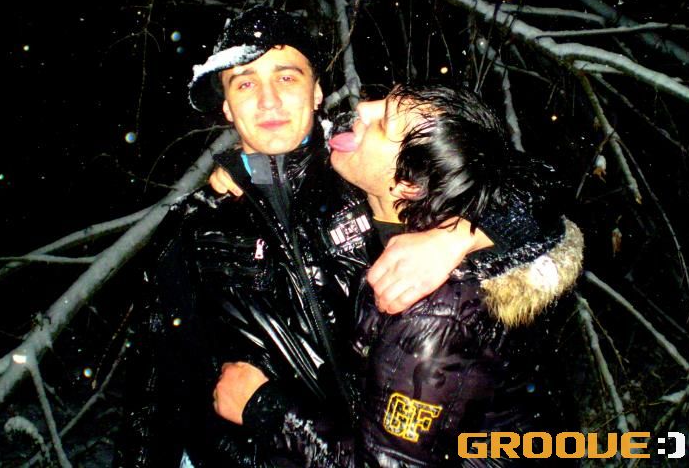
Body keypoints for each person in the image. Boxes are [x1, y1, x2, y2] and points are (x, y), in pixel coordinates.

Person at [116, 7, 504, 467]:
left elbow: (525, 190)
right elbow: (157, 390)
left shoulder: (371, 173)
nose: (268, 101)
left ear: (317, 91)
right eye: (245, 84)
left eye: (286, 77)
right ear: (226, 106)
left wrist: (467, 232)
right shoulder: (194, 229)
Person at [212, 84, 583, 466]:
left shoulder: (437, 312)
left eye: (384, 122)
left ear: (408, 183)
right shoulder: (375, 198)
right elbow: (532, 175)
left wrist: (264, 408)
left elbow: (387, 463)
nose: (363, 107)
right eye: (244, 83)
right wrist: (250, 170)